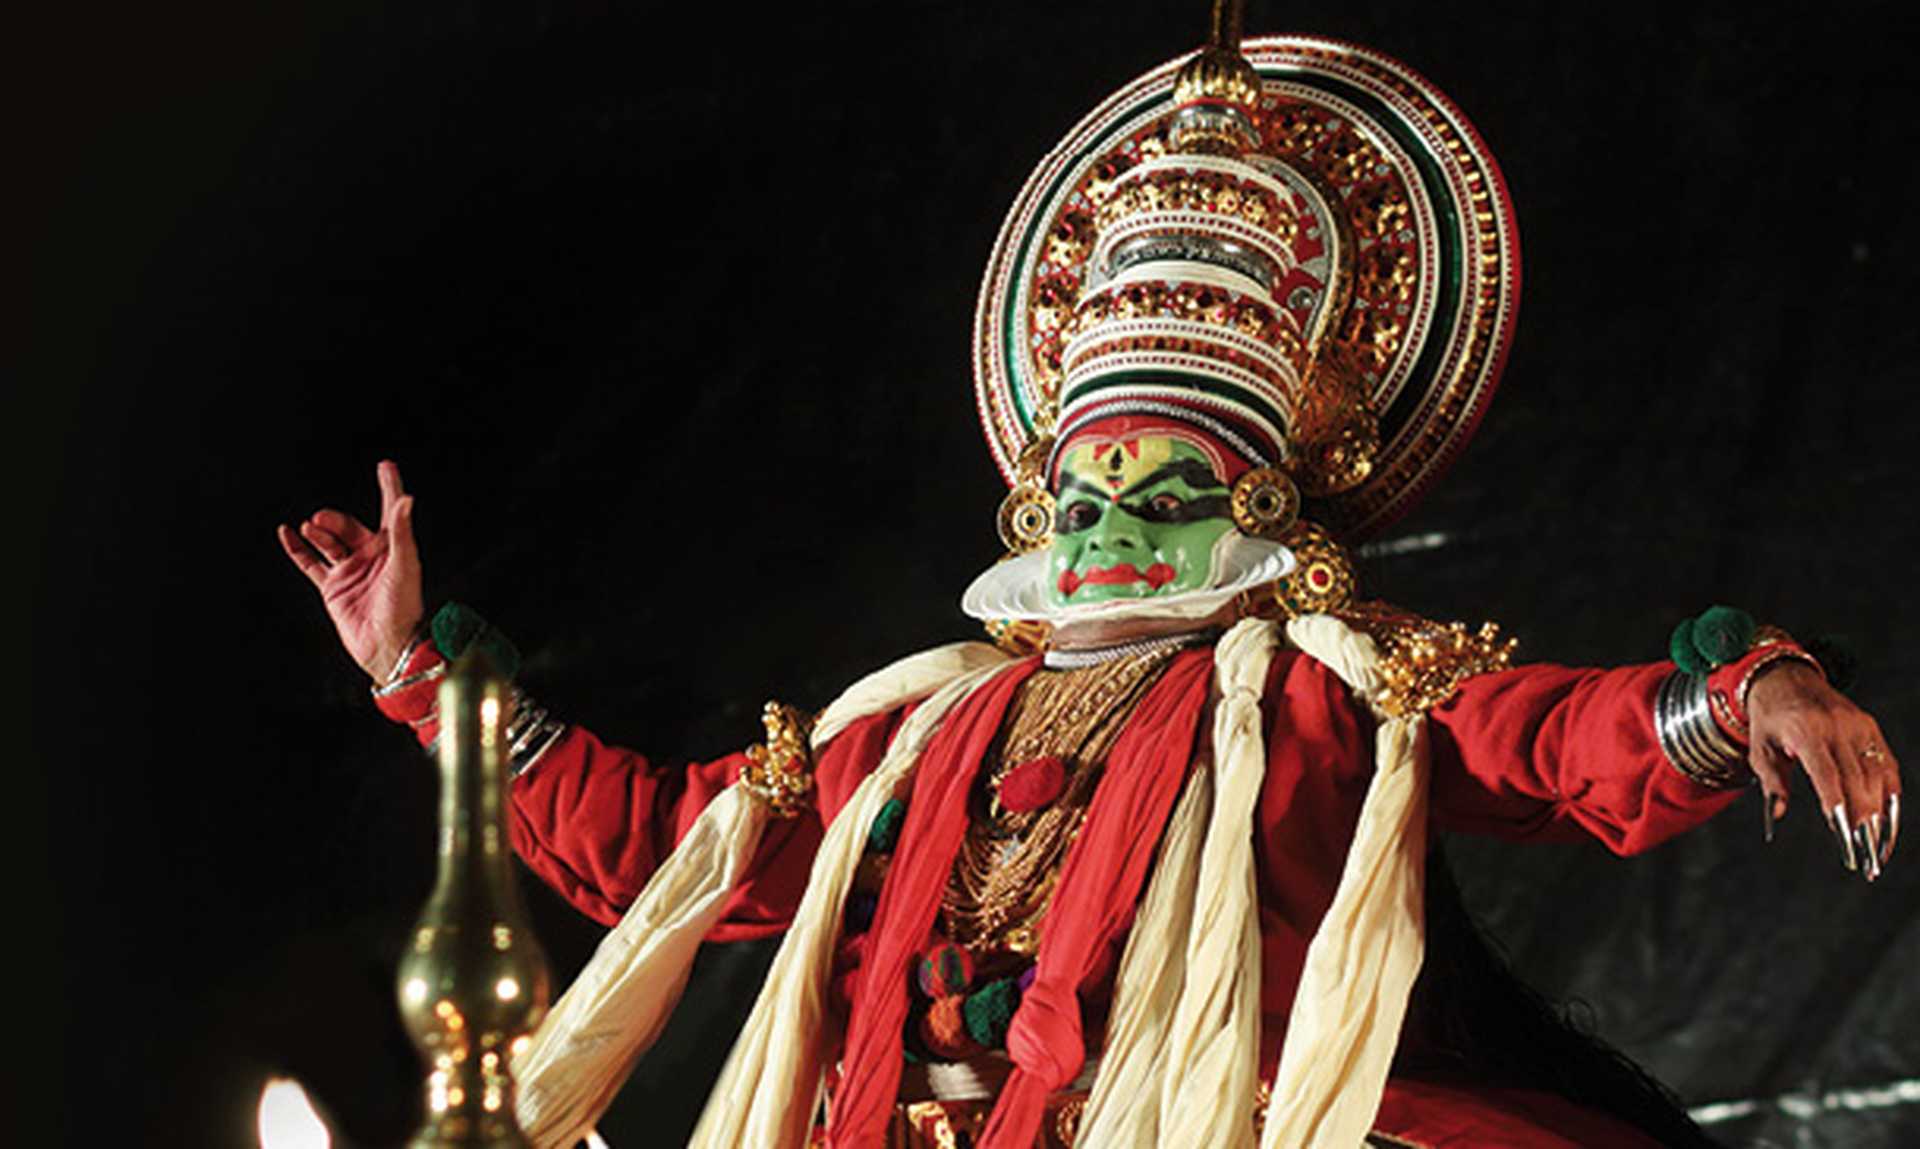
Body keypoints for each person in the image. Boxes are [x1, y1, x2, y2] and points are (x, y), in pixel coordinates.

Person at [281, 21, 1898, 1149]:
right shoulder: (910, 731)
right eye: (1085, 496)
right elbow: (664, 851)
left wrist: (1743, 693)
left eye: (1167, 492)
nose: (1115, 527)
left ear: (1258, 504)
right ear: (1035, 507)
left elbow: (1550, 740)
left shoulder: (1328, 678)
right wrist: (420, 672)